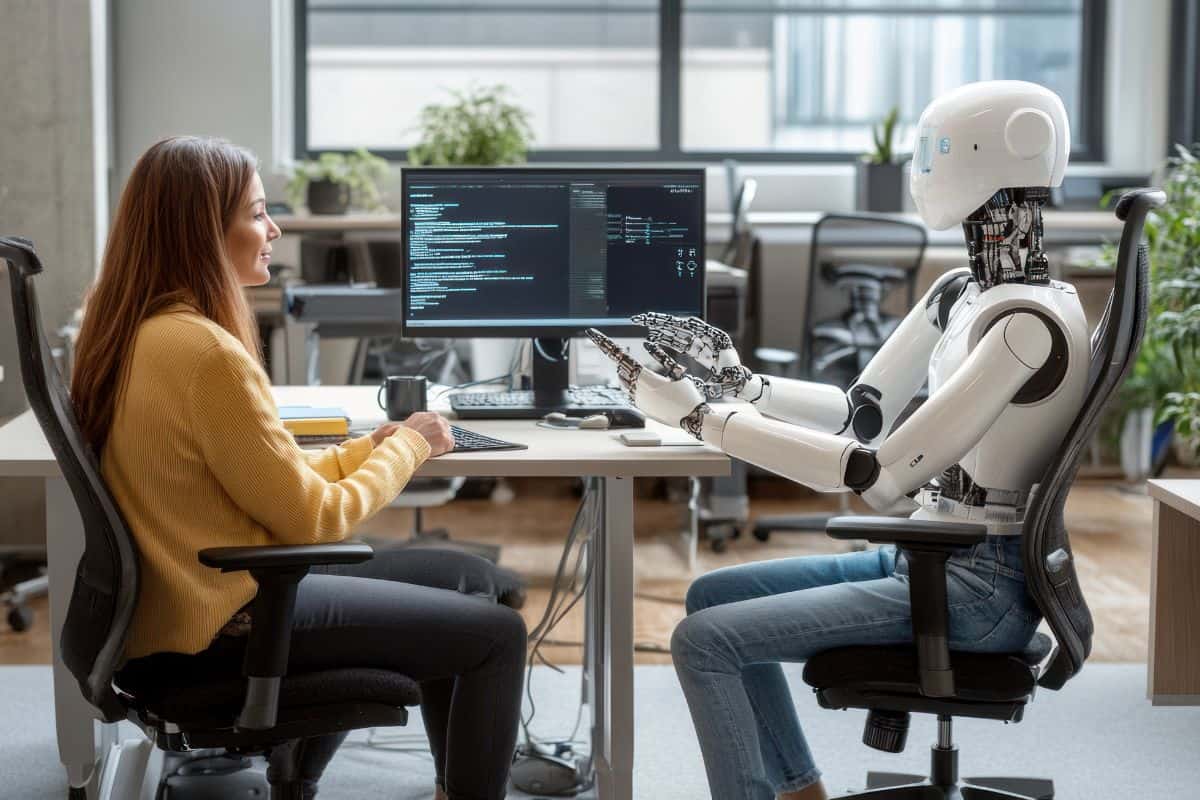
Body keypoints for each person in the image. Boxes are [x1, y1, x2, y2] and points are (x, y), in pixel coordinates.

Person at [588, 81, 1079, 800]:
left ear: (1004, 151)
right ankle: (799, 789)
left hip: (981, 590)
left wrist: (698, 419)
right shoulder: (962, 292)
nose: (921, 169)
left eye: (933, 152)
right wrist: (739, 382)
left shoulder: (1024, 326)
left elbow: (877, 476)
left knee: (703, 645)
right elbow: (860, 415)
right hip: (933, 555)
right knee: (709, 597)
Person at [70, 136, 526, 800]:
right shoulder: (205, 353)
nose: (274, 229)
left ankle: (323, 783)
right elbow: (314, 516)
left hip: (193, 601)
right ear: (204, 229)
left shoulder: (138, 329)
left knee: (470, 584)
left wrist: (373, 445)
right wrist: (413, 448)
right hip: (234, 618)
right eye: (258, 213)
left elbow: (267, 476)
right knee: (499, 636)